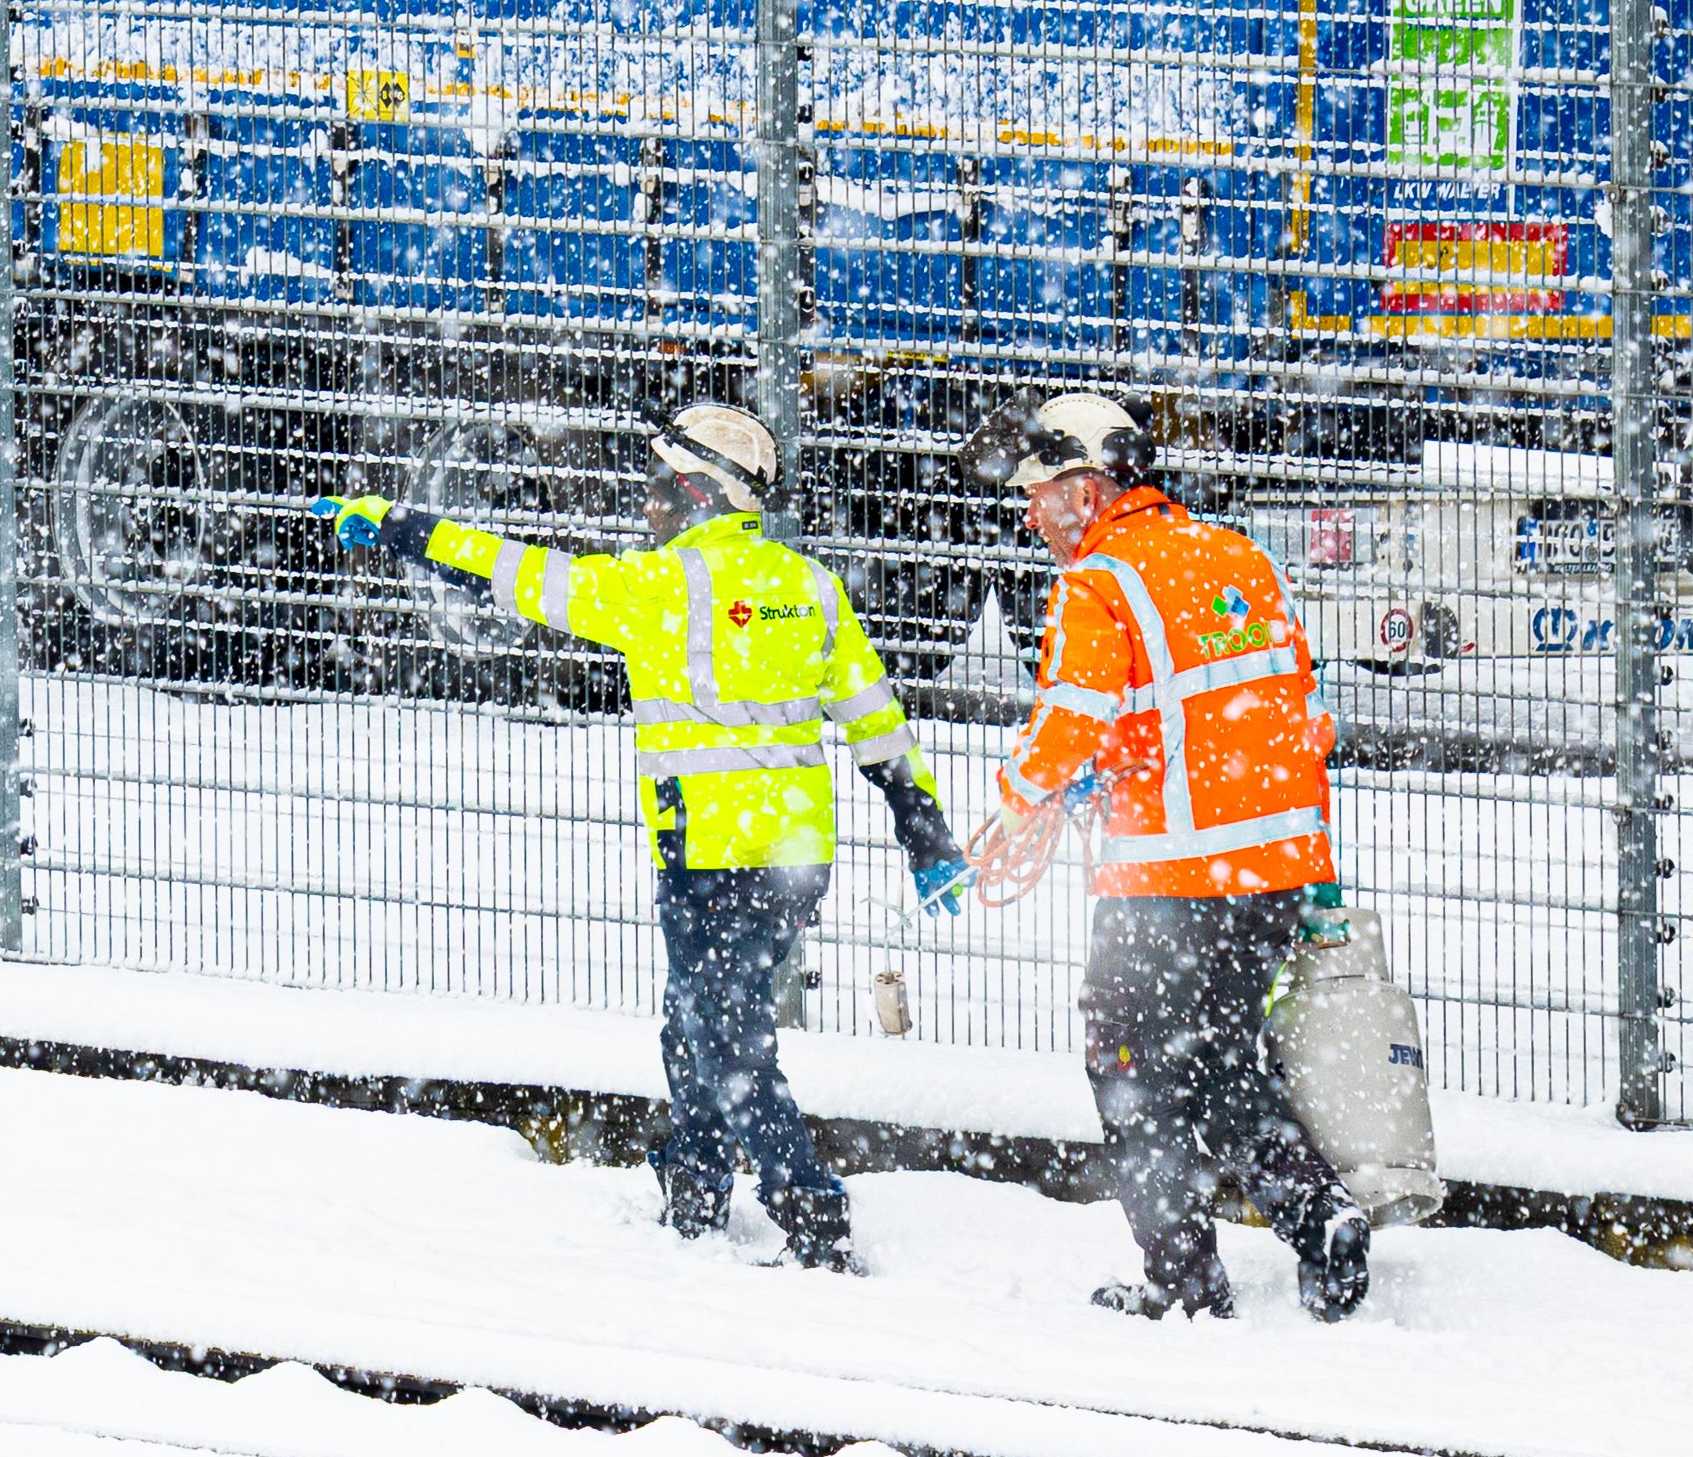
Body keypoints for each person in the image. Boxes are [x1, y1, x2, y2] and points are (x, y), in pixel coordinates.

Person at [318, 401, 960, 1267]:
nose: (649, 507)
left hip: (707, 853)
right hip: (795, 856)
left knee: (722, 1034)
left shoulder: (660, 589)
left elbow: (518, 574)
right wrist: (921, 827)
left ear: (702, 491)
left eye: (661, 488)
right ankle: (693, 1190)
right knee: (698, 1018)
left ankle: (810, 1214)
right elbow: (875, 717)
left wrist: (406, 529)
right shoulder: (807, 586)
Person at [965, 390, 1372, 1322]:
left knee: (1127, 1070)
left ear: (1086, 487)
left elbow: (1073, 719)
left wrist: (1012, 807)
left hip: (1164, 883)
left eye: (1039, 493)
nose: (1030, 515)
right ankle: (1320, 1212)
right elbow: (1278, 716)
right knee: (1221, 1060)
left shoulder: (1099, 581)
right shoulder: (1237, 558)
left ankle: (1181, 1281)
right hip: (1267, 873)